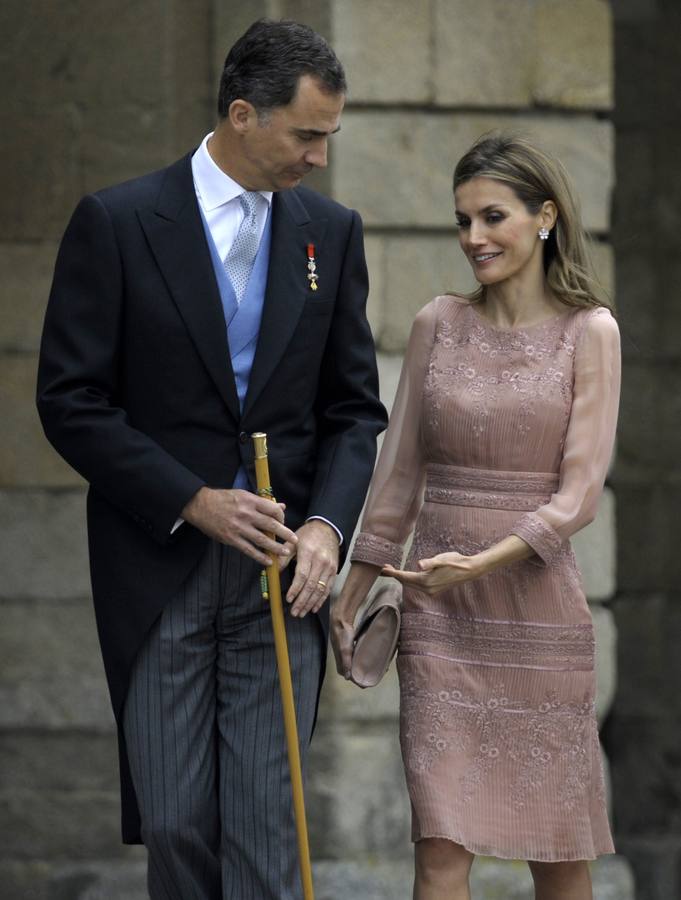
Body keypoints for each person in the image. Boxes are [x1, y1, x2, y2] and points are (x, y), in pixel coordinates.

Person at [37, 18, 387, 900]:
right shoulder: (116, 223)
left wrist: (325, 527)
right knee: (178, 822)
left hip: (281, 579)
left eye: (328, 138)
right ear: (242, 114)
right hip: (161, 574)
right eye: (307, 135)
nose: (318, 157)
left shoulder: (331, 234)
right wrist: (191, 499)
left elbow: (352, 411)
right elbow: (70, 402)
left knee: (270, 827)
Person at [332, 133, 620, 900]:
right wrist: (353, 592)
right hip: (437, 619)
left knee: (558, 853)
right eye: (461, 221)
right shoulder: (438, 322)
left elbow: (577, 497)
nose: (473, 239)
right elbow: (397, 477)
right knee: (439, 848)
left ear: (544, 217)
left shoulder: (590, 332)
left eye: (491, 217)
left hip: (535, 617)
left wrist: (479, 562)